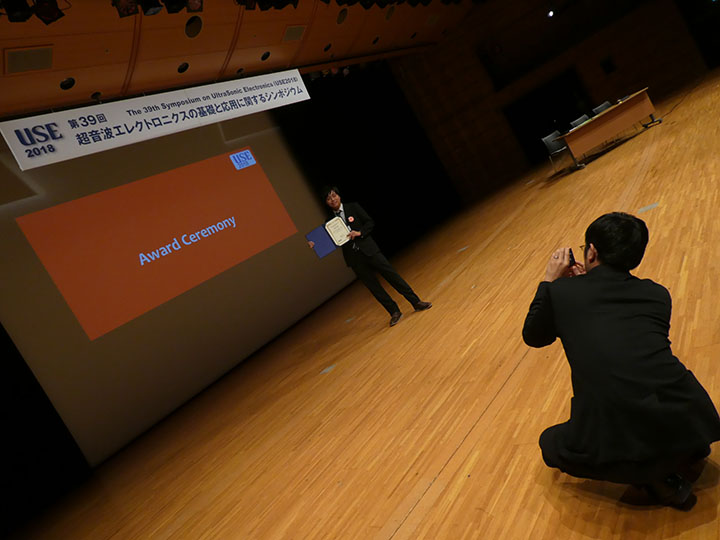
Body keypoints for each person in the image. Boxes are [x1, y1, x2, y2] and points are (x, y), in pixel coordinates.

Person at [522, 212, 720, 509]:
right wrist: (578, 287)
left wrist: (549, 281)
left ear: (591, 251)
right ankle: (674, 456)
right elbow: (622, 331)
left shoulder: (561, 293)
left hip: (619, 436)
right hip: (689, 416)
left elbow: (534, 336)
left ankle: (653, 477)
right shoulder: (657, 294)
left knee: (549, 443)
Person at [307, 186, 431, 327]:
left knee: (393, 277)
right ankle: (394, 312)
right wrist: (316, 244)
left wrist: (359, 233)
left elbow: (369, 222)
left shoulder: (353, 207)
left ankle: (416, 302)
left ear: (339, 196)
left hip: (370, 250)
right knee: (374, 288)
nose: (332, 199)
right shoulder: (329, 221)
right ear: (326, 202)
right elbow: (330, 242)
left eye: (334, 196)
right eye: (329, 198)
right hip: (354, 259)